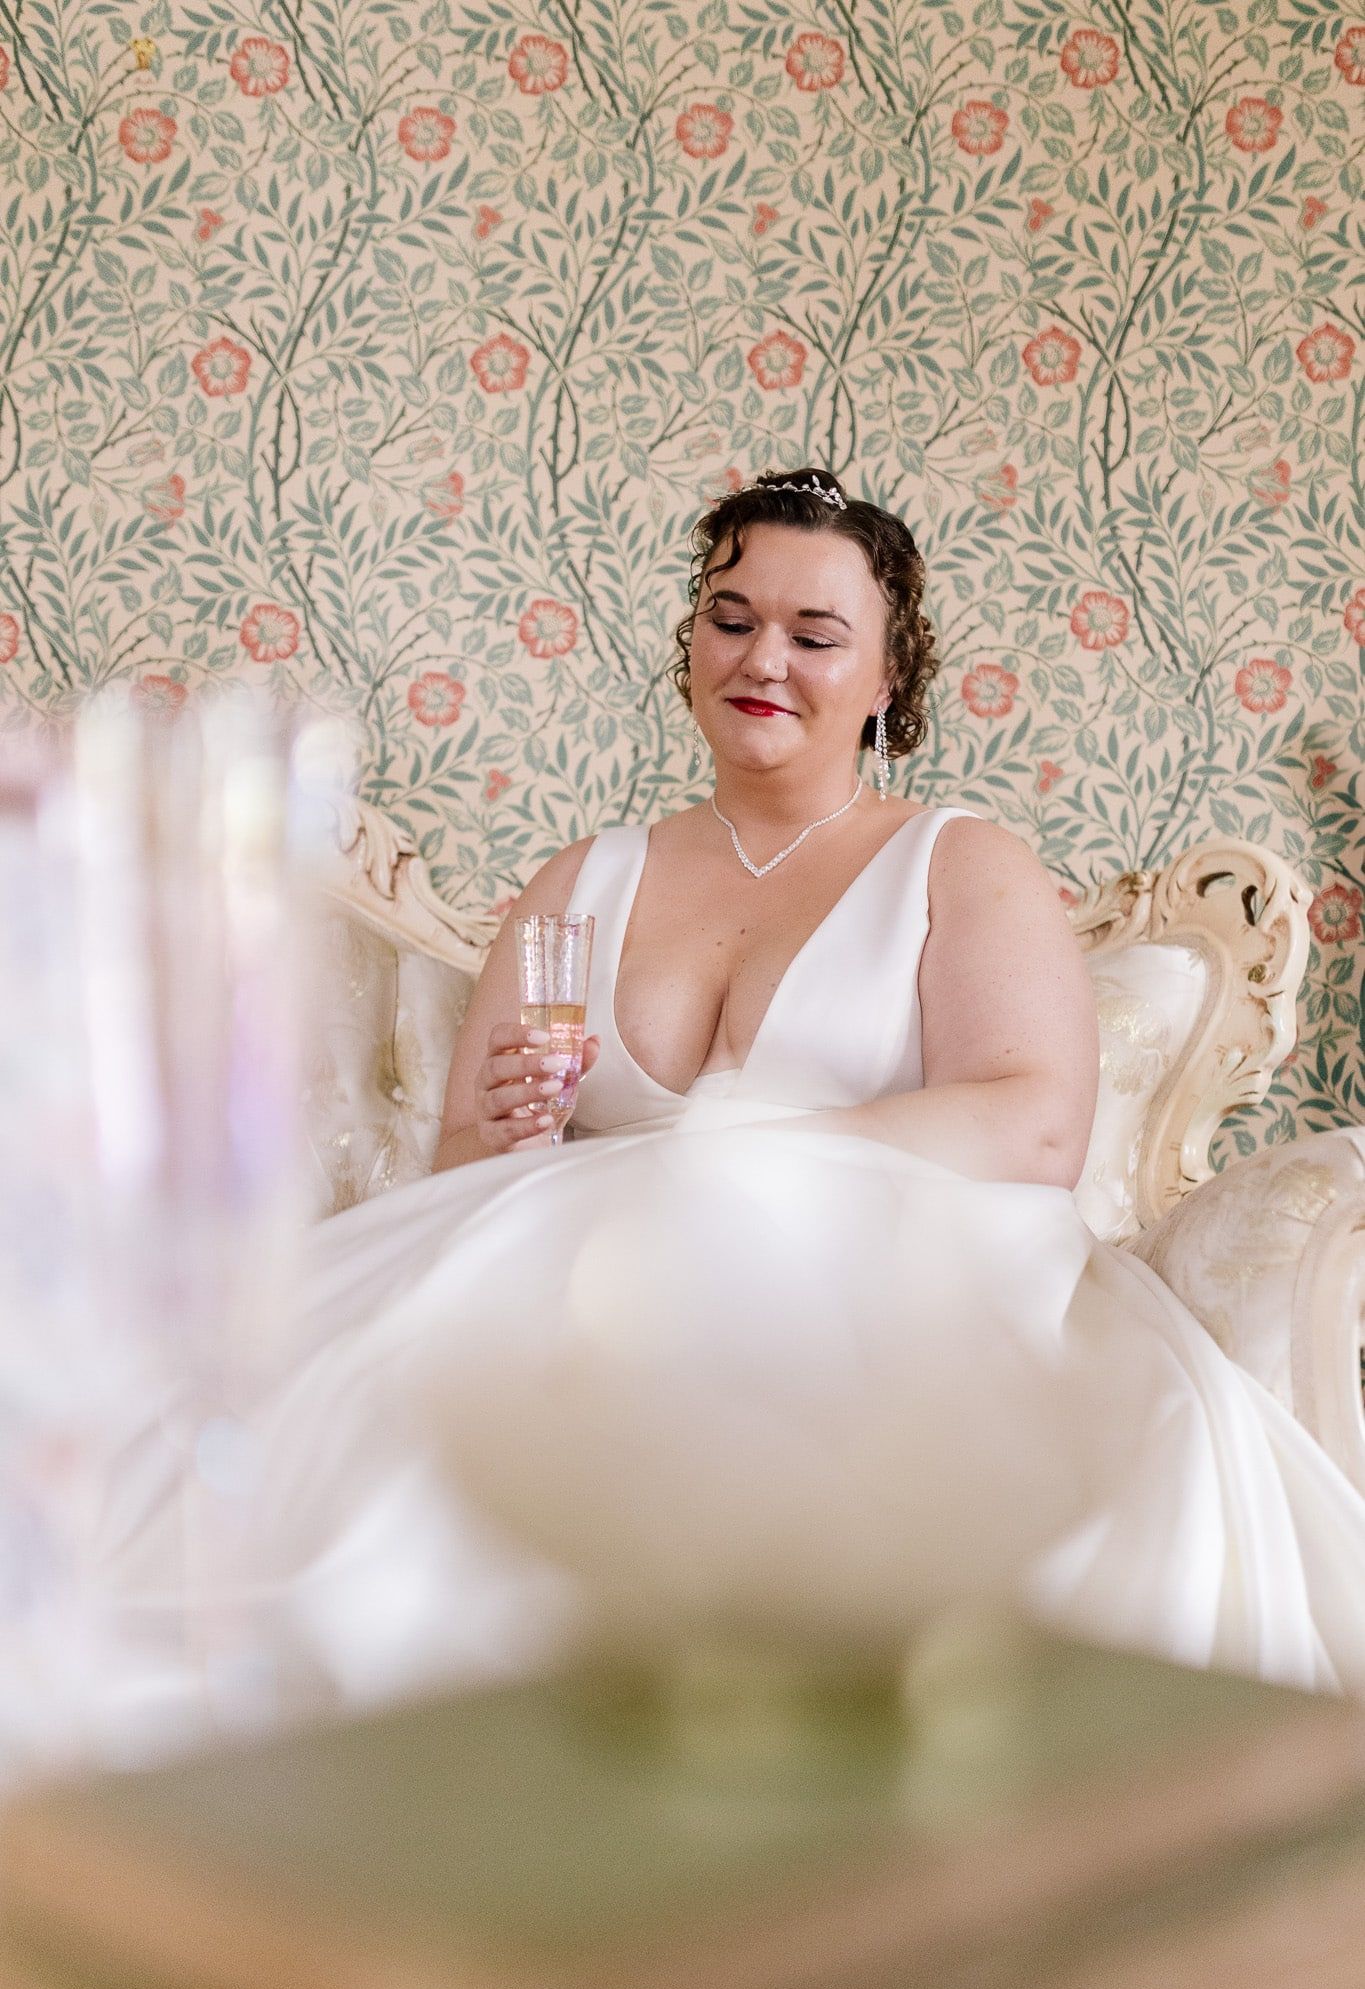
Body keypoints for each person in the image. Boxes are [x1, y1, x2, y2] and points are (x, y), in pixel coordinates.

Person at [122, 468, 1365, 1714]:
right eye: (732, 618)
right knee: (370, 1438)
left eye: (815, 635)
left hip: (889, 1272)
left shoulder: (958, 860)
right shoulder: (582, 879)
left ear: (887, 679)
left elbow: (1034, 1123)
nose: (763, 657)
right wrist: (500, 1127)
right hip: (594, 1270)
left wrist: (743, 1156)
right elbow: (467, 1159)